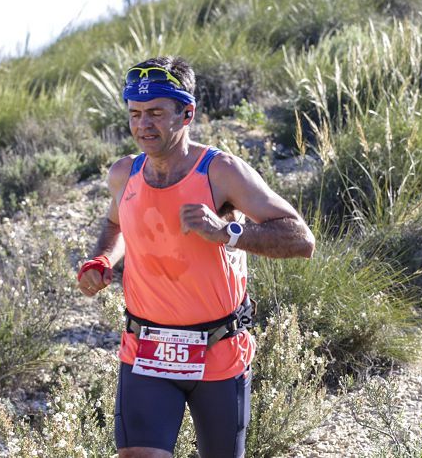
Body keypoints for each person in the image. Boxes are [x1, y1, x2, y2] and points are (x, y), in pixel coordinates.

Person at [76, 56, 315, 458]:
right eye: (135, 114)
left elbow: (301, 239)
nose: (142, 125)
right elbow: (117, 226)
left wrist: (227, 233)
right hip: (147, 348)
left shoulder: (220, 172)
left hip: (218, 350)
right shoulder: (124, 175)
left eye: (155, 113)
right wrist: (101, 260)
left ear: (187, 113)